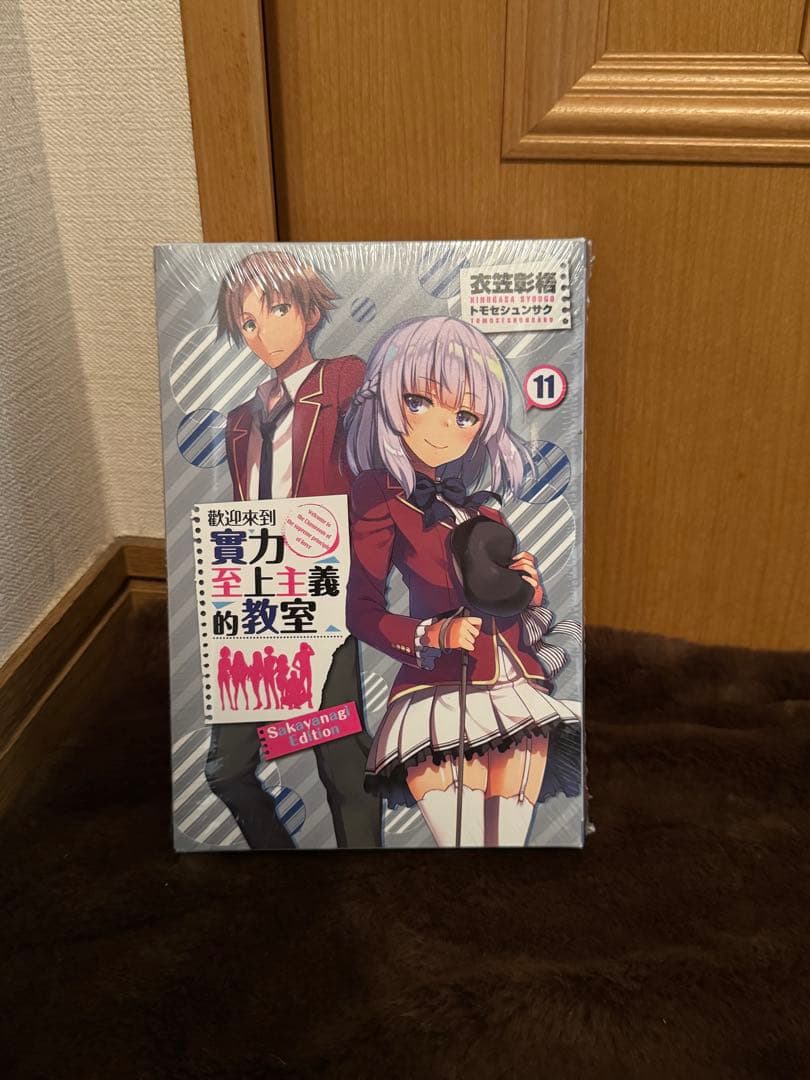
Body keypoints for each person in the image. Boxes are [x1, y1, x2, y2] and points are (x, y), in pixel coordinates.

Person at [345, 316, 580, 847]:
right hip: (440, 693)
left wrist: (529, 592)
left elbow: (509, 608)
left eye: (465, 414)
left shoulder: (487, 515)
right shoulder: (382, 496)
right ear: (387, 399)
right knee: (461, 842)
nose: (441, 427)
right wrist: (431, 634)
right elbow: (359, 609)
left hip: (517, 691)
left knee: (506, 845)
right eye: (418, 401)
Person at [203, 249, 380, 850]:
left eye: (278, 310)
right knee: (226, 768)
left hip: (321, 591)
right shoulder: (240, 420)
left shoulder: (344, 381)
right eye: (249, 323)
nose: (264, 334)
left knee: (342, 762)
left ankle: (363, 871)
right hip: (253, 595)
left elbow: (380, 460)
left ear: (309, 313)